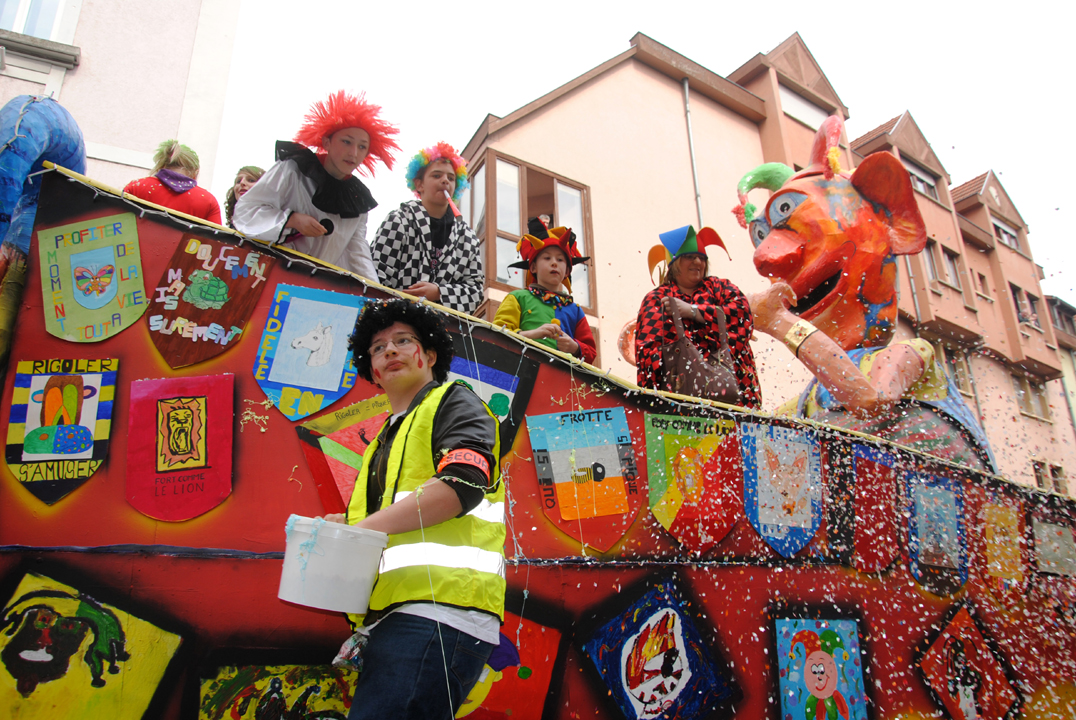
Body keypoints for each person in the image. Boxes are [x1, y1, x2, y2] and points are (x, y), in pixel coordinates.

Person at [321, 298, 504, 719]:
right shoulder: (380, 442)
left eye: (403, 340)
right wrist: (343, 525)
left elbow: (462, 484)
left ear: (431, 355)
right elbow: (392, 516)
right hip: (399, 617)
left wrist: (361, 529)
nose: (390, 350)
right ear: (372, 371)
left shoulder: (454, 401)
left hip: (441, 611)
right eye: (378, 347)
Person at [233, 91, 399, 279]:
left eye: (362, 147)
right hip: (268, 275)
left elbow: (357, 251)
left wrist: (375, 290)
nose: (353, 153)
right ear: (327, 142)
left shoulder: (358, 199)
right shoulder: (292, 170)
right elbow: (245, 211)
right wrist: (292, 219)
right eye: (346, 142)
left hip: (311, 287)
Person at [634, 225, 762, 408]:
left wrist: (694, 311)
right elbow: (648, 353)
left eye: (702, 258)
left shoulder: (720, 287)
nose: (697, 262)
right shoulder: (657, 298)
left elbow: (742, 317)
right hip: (679, 405)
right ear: (675, 263)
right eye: (689, 256)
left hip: (736, 400)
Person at [371, 142, 483, 315]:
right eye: (436, 175)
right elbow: (375, 273)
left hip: (440, 325)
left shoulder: (468, 238)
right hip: (394, 317)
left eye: (451, 178)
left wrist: (439, 292)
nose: (445, 180)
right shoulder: (399, 220)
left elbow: (475, 293)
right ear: (419, 185)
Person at [492, 217, 596, 363]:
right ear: (533, 267)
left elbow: (591, 352)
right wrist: (534, 334)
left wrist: (575, 347)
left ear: (567, 271)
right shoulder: (517, 298)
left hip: (560, 376)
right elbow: (497, 335)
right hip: (520, 370)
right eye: (547, 258)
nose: (554, 263)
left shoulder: (575, 310)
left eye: (560, 260)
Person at [123, 140, 222, 224]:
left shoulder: (136, 187)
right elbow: (215, 239)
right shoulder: (208, 201)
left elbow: (117, 225)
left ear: (161, 165)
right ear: (195, 172)